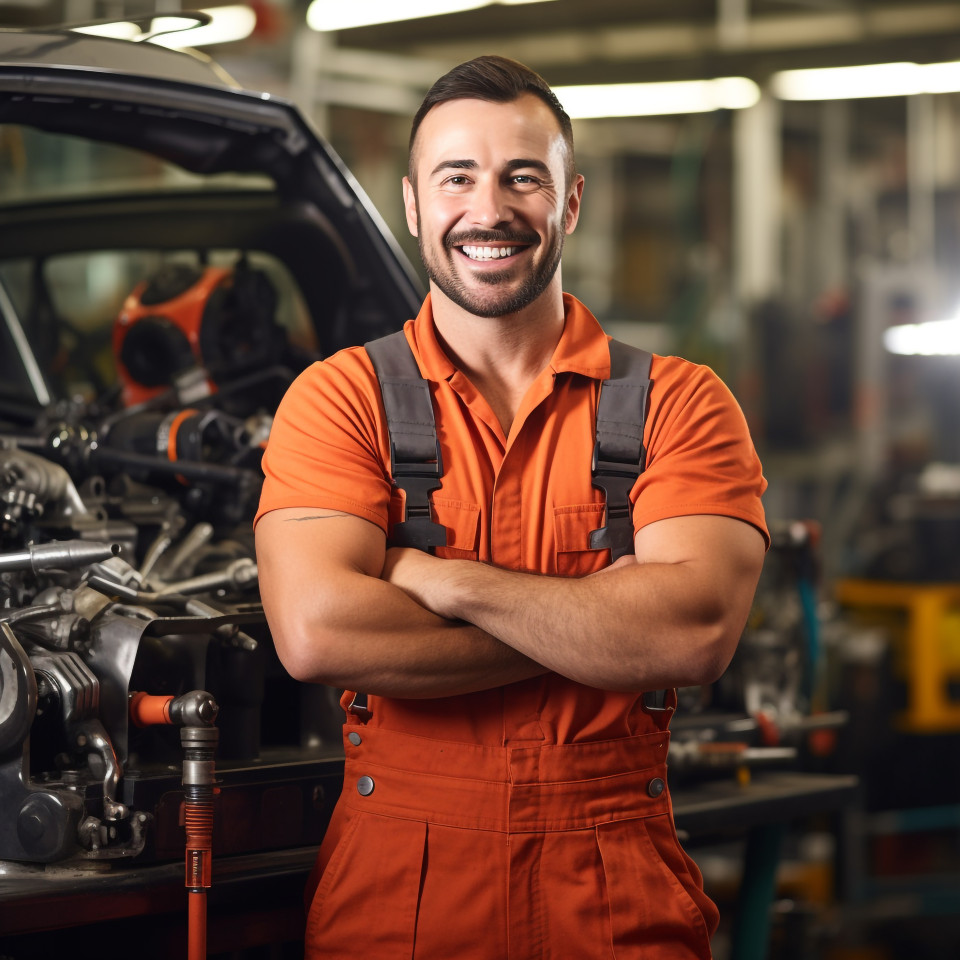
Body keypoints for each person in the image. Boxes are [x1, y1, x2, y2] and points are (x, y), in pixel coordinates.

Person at [255, 55, 767, 960]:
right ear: (414, 204)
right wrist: (598, 626)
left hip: (614, 892)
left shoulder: (681, 404)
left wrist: (437, 581)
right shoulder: (340, 400)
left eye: (522, 177)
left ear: (570, 203)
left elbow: (691, 636)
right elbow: (318, 633)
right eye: (457, 176)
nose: (487, 210)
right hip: (398, 898)